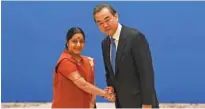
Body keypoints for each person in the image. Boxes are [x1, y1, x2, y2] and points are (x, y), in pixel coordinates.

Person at [93, 4, 159, 108]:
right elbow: (110, 73)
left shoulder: (135, 37)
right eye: (100, 23)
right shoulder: (105, 44)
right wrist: (111, 88)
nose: (105, 25)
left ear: (116, 16)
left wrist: (147, 103)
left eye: (107, 20)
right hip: (121, 103)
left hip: (141, 103)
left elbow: (146, 73)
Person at [51, 27, 115, 108]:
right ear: (67, 43)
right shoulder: (65, 61)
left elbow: (91, 84)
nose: (78, 45)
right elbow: (83, 84)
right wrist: (104, 94)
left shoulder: (88, 61)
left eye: (81, 41)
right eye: (74, 41)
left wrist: (92, 104)